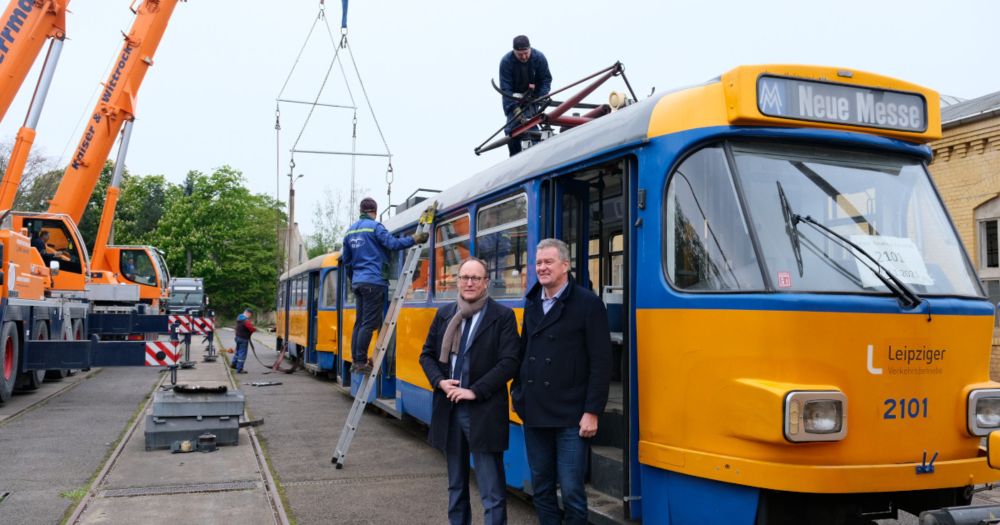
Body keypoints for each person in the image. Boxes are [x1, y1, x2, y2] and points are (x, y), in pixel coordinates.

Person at [511, 238, 612, 525]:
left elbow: (601, 362)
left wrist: (592, 412)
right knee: (541, 490)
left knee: (571, 492)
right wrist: (517, 393)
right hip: (535, 411)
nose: (542, 268)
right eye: (538, 263)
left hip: (572, 415)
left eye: (548, 262)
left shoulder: (588, 304)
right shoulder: (532, 303)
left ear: (565, 266)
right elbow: (523, 351)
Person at [419, 257, 520, 525]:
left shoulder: (503, 317)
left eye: (476, 278)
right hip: (450, 410)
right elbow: (427, 356)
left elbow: (509, 362)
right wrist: (440, 382)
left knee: (492, 491)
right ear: (458, 281)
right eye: (464, 278)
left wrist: (474, 391)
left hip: (483, 411)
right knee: (456, 486)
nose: (469, 283)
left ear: (486, 282)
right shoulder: (445, 314)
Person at [341, 197, 429, 374]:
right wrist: (415, 239)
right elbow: (392, 244)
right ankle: (359, 362)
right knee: (368, 323)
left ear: (361, 210)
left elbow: (347, 261)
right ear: (374, 211)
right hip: (374, 281)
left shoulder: (350, 232)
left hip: (359, 282)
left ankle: (356, 359)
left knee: (360, 323)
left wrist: (354, 280)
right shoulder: (375, 227)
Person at [498, 34, 551, 156]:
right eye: (520, 54)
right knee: (512, 131)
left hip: (533, 99)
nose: (524, 57)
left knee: (532, 126)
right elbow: (505, 89)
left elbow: (546, 80)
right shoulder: (506, 62)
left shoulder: (539, 58)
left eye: (526, 53)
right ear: (514, 52)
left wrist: (540, 97)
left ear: (530, 48)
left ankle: (537, 155)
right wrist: (515, 109)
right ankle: (515, 159)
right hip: (514, 100)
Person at [232, 308, 256, 374]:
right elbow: (251, 328)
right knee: (242, 354)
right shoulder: (245, 320)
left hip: (238, 337)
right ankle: (239, 369)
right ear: (248, 313)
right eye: (250, 315)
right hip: (243, 339)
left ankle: (234, 364)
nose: (250, 316)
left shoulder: (239, 318)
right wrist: (254, 329)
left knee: (237, 352)